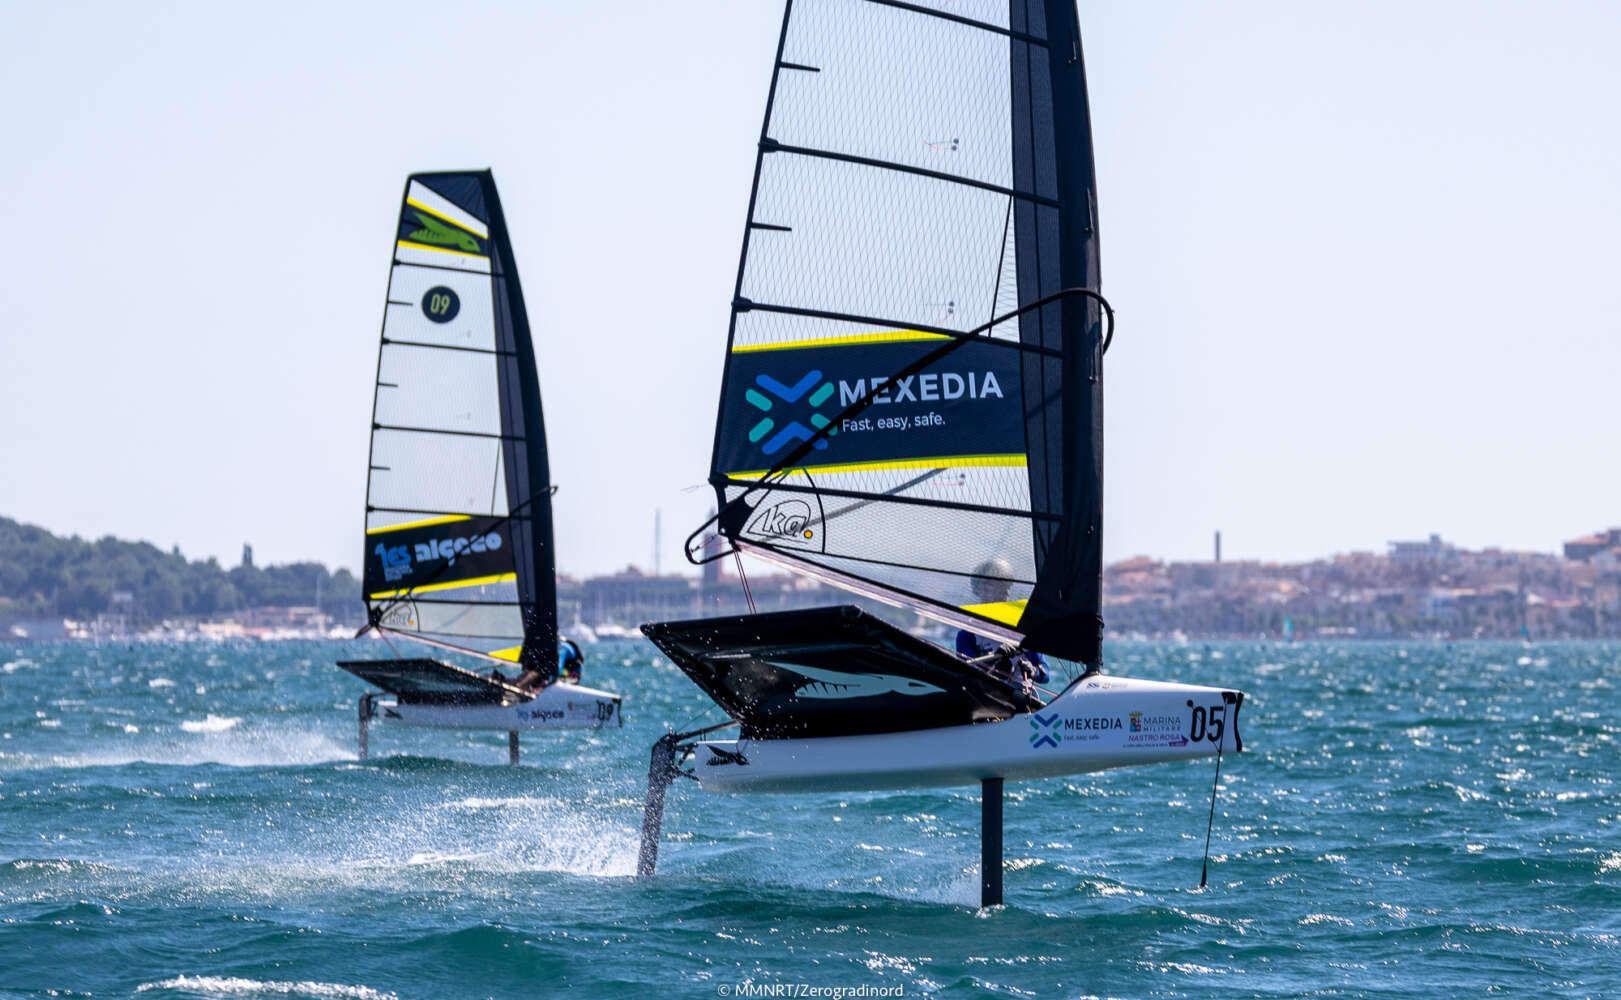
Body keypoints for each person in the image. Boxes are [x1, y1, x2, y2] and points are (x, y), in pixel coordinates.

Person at [957, 558, 1048, 685]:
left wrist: (1033, 671)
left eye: (1006, 587)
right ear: (978, 590)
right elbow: (965, 668)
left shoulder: (1022, 629)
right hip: (983, 689)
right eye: (991, 587)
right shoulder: (967, 634)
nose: (1005, 592)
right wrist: (993, 659)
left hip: (1018, 692)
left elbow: (1046, 676)